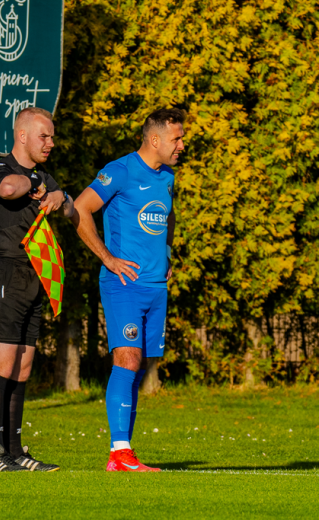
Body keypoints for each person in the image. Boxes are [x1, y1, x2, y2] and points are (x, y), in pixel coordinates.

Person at [71, 108, 185, 472]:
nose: (182, 145)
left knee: (138, 367)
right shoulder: (119, 171)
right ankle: (119, 453)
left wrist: (167, 254)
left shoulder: (167, 176)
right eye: (176, 139)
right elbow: (79, 208)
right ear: (155, 140)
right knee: (127, 360)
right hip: (124, 285)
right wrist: (107, 257)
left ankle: (125, 453)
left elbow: (168, 216)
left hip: (155, 286)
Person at [0, 107, 73, 472]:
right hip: (3, 273)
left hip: (35, 276)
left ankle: (17, 451)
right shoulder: (2, 168)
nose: (50, 142)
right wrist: (40, 187)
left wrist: (59, 196)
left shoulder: (44, 175)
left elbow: (68, 209)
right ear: (22, 136)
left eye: (51, 136)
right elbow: (7, 189)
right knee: (0, 365)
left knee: (22, 368)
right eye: (44, 136)